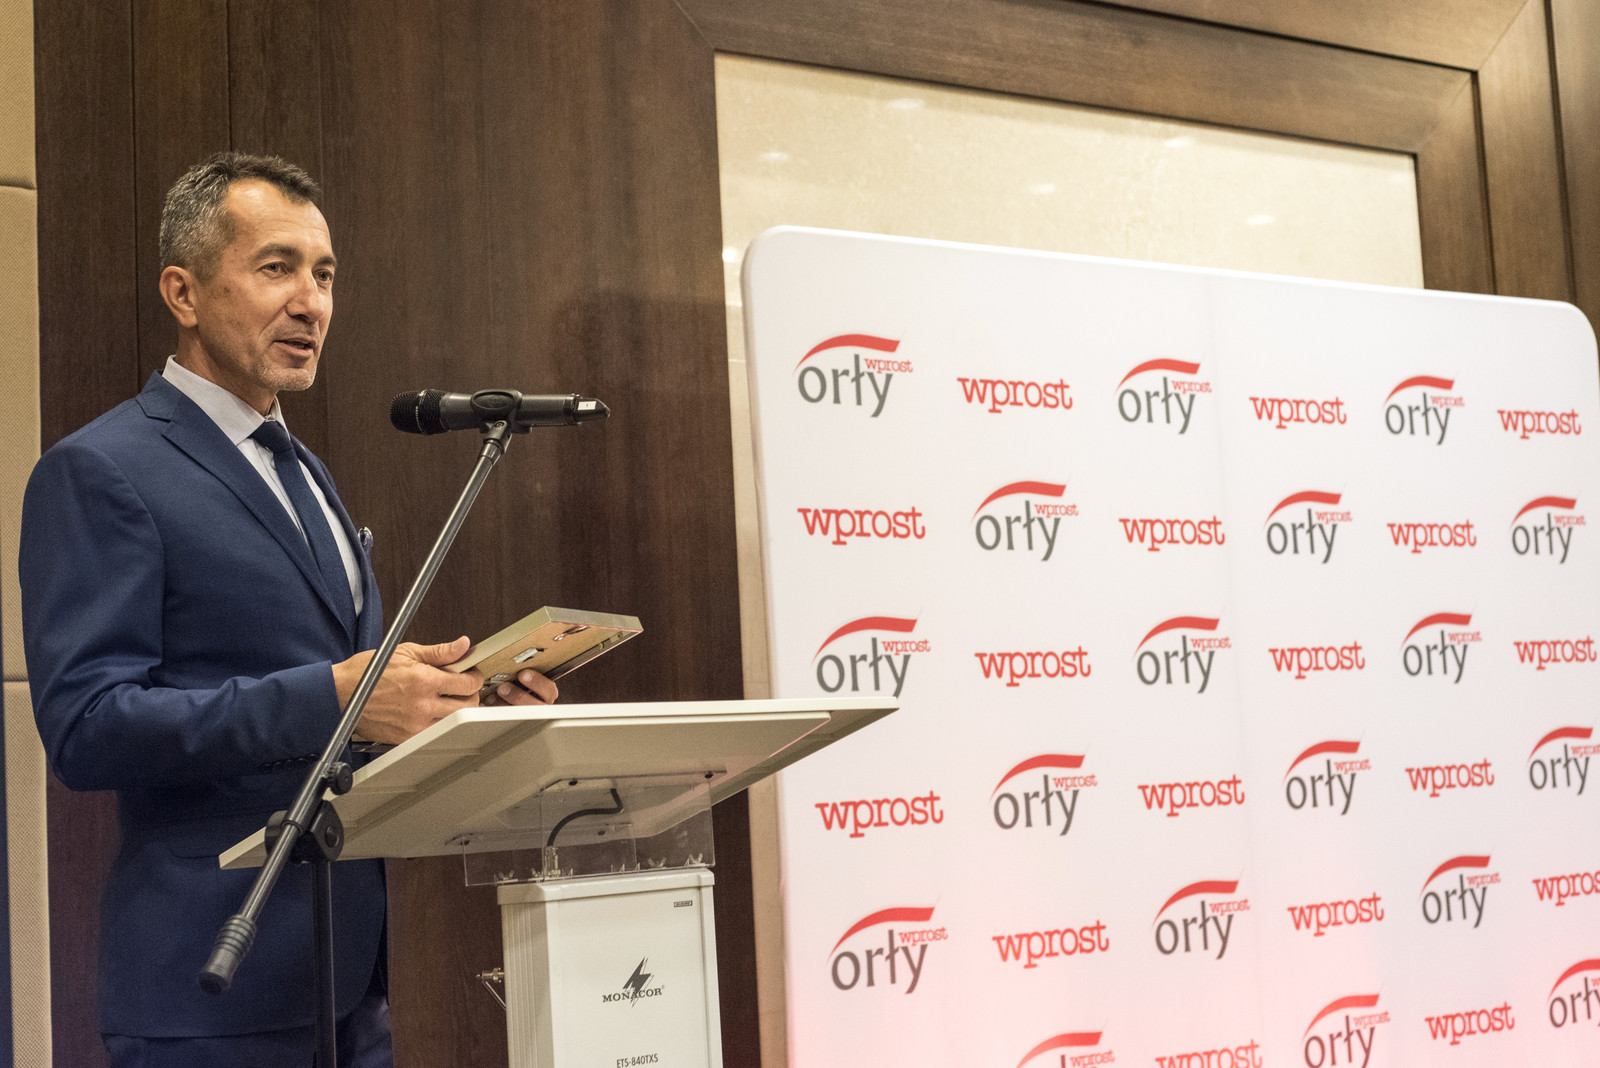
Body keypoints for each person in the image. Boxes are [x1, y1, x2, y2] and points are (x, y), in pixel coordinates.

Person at [19, 151, 557, 1067]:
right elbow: (87, 729)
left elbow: (340, 715)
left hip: (349, 984)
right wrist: (336, 696)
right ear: (184, 293)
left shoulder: (305, 470)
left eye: (325, 274)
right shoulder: (102, 470)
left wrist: (457, 708)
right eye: (277, 268)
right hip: (210, 984)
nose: (311, 302)